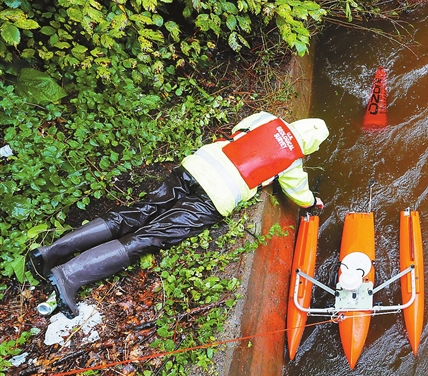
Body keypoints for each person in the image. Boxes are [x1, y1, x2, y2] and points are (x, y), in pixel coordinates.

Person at [27, 111, 329, 319]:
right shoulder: (292, 162)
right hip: (217, 196)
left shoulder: (267, 118)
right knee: (149, 237)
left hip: (197, 166)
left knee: (138, 211)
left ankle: (50, 252)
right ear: (310, 146)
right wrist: (311, 202)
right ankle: (68, 275)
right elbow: (298, 192)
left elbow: (239, 132)